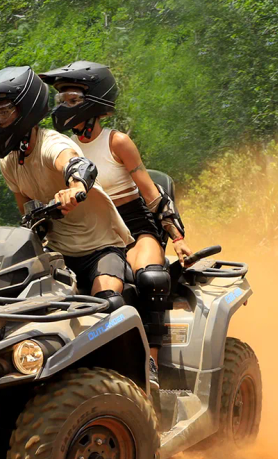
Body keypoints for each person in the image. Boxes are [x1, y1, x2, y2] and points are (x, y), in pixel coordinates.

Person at [38, 61, 192, 349]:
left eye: (72, 100)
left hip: (134, 226)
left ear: (95, 101)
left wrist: (178, 237)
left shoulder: (117, 142)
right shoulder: (61, 148)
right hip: (92, 232)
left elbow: (151, 192)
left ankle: (153, 363)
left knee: (151, 279)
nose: (64, 107)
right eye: (61, 101)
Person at [0, 65, 132, 298]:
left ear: (26, 109)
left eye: (3, 112)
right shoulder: (8, 161)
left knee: (107, 304)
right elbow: (26, 212)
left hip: (100, 250)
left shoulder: (51, 144)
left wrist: (75, 187)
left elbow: (76, 163)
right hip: (55, 254)